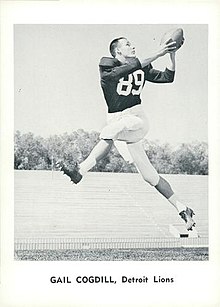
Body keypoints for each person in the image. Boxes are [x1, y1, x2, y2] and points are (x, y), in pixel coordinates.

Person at [57, 36, 195, 231]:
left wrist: (171, 56)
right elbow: (121, 72)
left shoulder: (140, 65)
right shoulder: (107, 65)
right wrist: (158, 52)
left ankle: (79, 171)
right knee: (149, 176)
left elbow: (167, 77)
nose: (133, 46)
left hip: (136, 120)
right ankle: (184, 209)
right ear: (117, 51)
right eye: (128, 44)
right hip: (118, 121)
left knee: (111, 131)